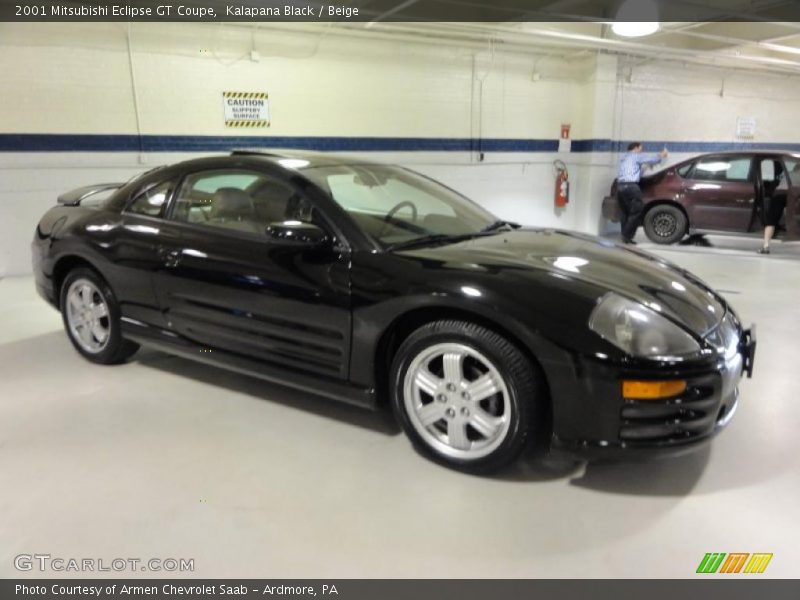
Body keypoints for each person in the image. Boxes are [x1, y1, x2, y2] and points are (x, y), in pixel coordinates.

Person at [616, 142, 669, 244]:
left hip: (620, 187)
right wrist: (662, 155)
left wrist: (644, 168)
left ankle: (625, 236)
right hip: (631, 186)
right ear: (636, 148)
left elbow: (633, 172)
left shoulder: (624, 158)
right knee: (637, 211)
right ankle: (626, 235)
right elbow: (653, 159)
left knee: (625, 213)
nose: (641, 150)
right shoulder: (635, 156)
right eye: (641, 148)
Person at [758, 162, 791, 254]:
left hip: (780, 194)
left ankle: (766, 246)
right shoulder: (789, 171)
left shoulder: (787, 172)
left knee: (771, 220)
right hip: (793, 194)